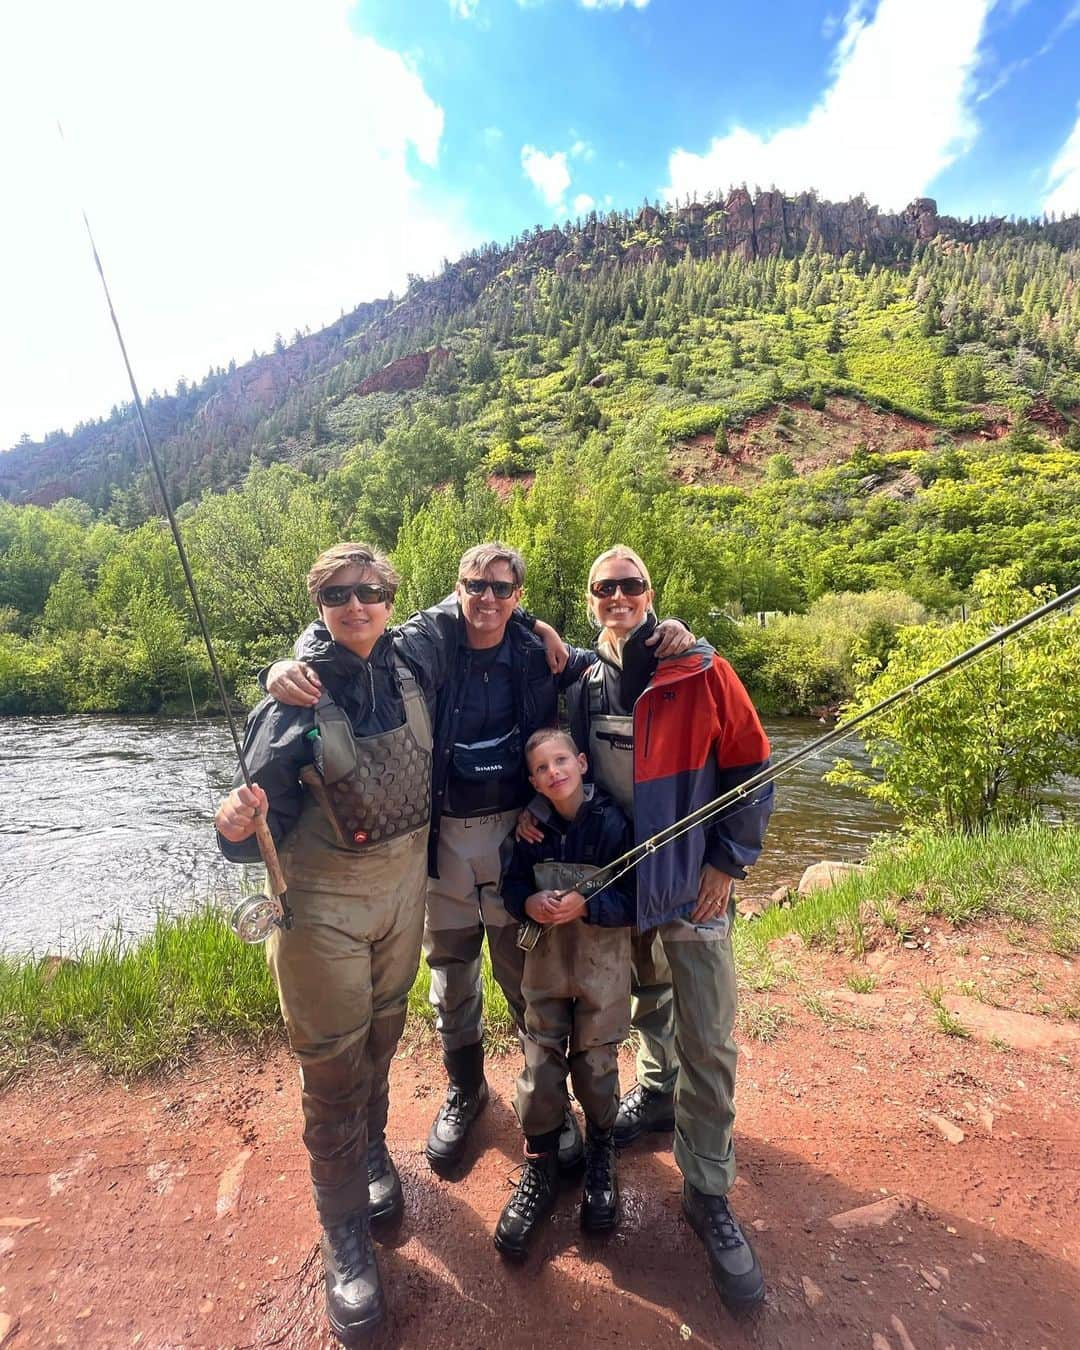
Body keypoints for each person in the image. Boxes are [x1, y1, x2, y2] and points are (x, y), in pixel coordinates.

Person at [264, 543, 694, 1177]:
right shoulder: (427, 641)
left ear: (518, 594)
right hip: (442, 843)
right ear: (456, 588)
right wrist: (291, 659)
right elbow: (357, 639)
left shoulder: (534, 648)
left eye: (501, 588)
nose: (487, 598)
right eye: (475, 585)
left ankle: (547, 1107)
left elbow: (609, 662)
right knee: (451, 968)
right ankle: (466, 1089)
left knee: (529, 977)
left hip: (514, 840)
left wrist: (672, 635)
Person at [215, 543, 454, 1344]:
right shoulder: (290, 701)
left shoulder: (414, 659)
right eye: (340, 595)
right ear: (319, 604)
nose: (359, 606)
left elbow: (483, 611)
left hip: (402, 895)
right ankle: (344, 1232)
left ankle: (374, 1153)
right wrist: (234, 826)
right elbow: (255, 835)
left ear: (392, 597)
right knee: (331, 1067)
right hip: (320, 906)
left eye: (372, 591)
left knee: (384, 1037)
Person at [555, 544, 775, 1313]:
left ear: (650, 594)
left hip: (693, 887)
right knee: (644, 1006)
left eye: (630, 584)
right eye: (603, 587)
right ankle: (657, 1092)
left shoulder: (700, 668)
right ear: (590, 602)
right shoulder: (583, 680)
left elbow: (752, 764)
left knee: (709, 1034)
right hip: (620, 886)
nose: (618, 595)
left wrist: (729, 862)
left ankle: (707, 1189)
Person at [493, 728, 634, 1260]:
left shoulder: (615, 824)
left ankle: (601, 1149)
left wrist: (589, 906)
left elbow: (637, 897)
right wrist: (528, 904)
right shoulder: (530, 831)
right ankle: (543, 1162)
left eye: (561, 761)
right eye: (542, 769)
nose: (554, 773)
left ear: (581, 762)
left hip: (603, 972)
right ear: (532, 782)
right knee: (540, 1068)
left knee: (597, 1065)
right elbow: (510, 888)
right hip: (545, 972)